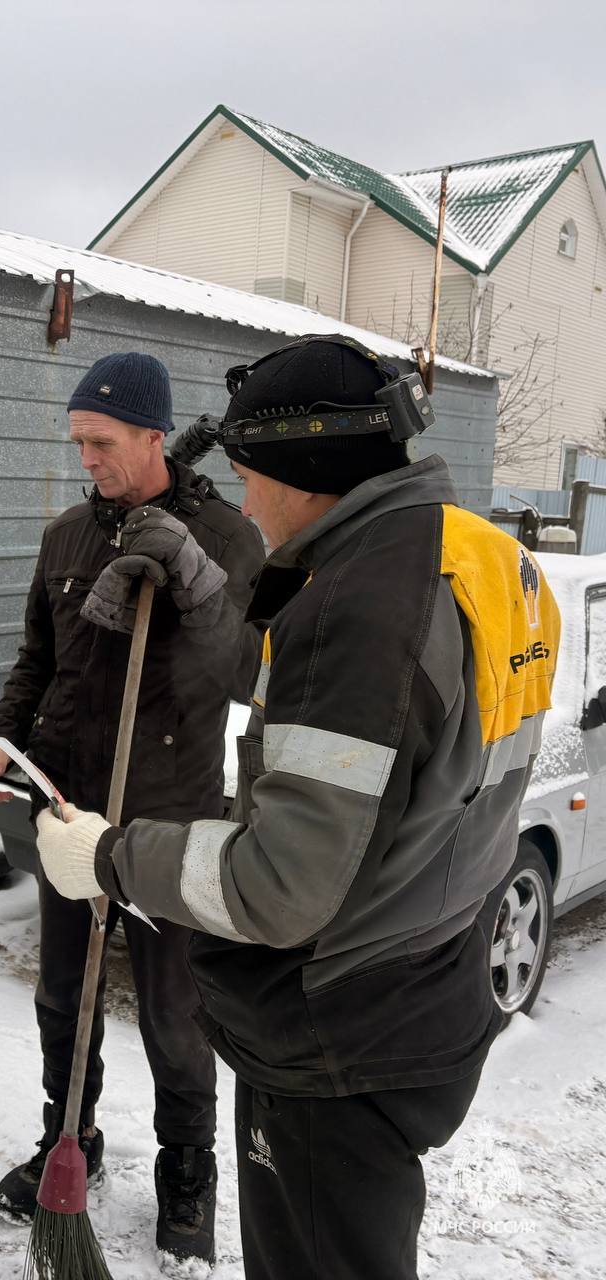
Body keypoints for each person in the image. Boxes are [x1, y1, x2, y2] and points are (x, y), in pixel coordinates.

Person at [34, 335, 561, 1279]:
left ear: (307, 466)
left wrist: (112, 857)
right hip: (432, 977)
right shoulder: (491, 562)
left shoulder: (359, 606)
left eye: (251, 476)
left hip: (338, 1027)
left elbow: (282, 885)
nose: (244, 500)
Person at [0, 352, 263, 1263]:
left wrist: (189, 579)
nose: (87, 458)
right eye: (79, 442)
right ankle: (72, 1135)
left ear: (153, 435)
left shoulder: (227, 537)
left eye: (102, 442)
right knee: (66, 997)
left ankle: (188, 1169)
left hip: (169, 819)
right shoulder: (66, 536)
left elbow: (243, 671)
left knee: (177, 1015)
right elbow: (38, 654)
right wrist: (3, 732)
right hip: (69, 804)